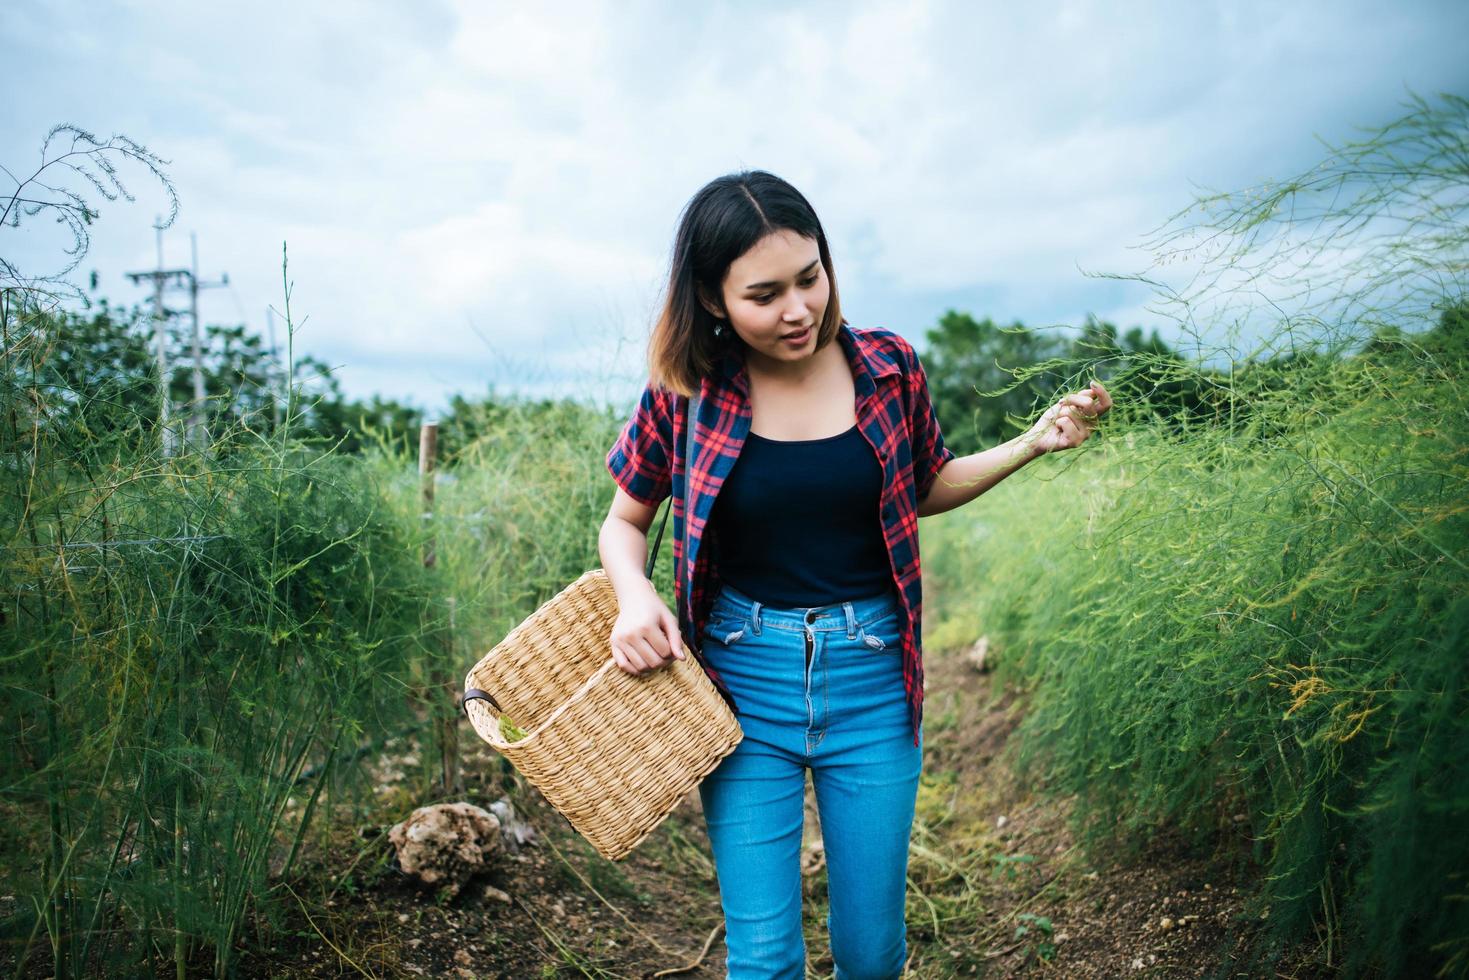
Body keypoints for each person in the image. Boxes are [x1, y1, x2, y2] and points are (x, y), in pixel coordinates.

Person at [598, 170, 1111, 980]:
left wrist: (1031, 443)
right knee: (763, 960)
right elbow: (625, 520)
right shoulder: (689, 393)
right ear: (710, 297)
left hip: (872, 675)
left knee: (870, 957)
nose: (797, 309)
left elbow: (924, 484)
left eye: (809, 278)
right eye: (764, 294)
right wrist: (634, 597)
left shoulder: (888, 367)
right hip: (740, 682)